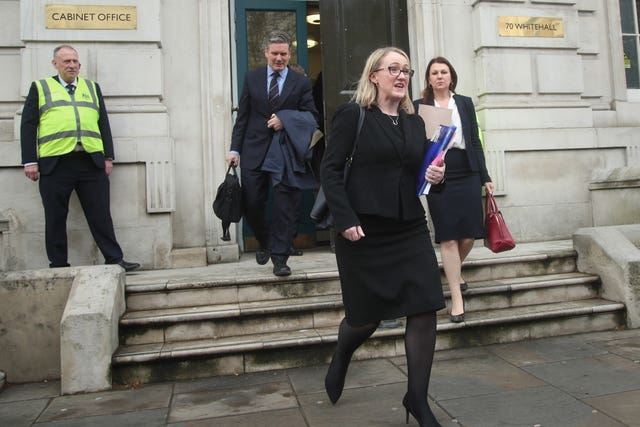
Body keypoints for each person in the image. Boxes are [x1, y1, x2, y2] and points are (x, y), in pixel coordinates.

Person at [321, 47, 446, 427]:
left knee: (424, 307)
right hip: (362, 230)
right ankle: (342, 356)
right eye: (393, 68)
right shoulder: (352, 115)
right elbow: (329, 170)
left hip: (408, 225)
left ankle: (417, 399)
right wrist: (344, 218)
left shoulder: (414, 123)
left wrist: (437, 178)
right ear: (373, 75)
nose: (402, 75)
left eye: (406, 69)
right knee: (366, 318)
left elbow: (426, 173)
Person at [20, 45, 140, 272]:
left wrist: (108, 157)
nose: (72, 65)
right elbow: (28, 125)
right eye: (66, 61)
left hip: (90, 162)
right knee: (55, 217)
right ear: (55, 64)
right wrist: (29, 161)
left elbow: (103, 122)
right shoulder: (41, 88)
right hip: (55, 164)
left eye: (75, 61)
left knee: (101, 214)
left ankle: (115, 259)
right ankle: (58, 264)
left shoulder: (92, 88)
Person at [227, 31, 317, 276]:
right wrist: (234, 149)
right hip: (254, 150)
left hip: (286, 153)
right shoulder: (252, 77)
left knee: (286, 206)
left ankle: (280, 258)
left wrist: (285, 120)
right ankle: (265, 241)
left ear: (289, 54)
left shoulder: (300, 82)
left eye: (284, 54)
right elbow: (243, 116)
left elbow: (312, 116)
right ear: (266, 52)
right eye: (275, 53)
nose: (279, 58)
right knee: (253, 203)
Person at [414, 57, 494, 322]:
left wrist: (485, 176)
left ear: (451, 76)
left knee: (470, 235)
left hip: (466, 170)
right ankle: (456, 299)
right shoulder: (420, 106)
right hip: (438, 172)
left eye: (444, 72)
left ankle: (454, 269)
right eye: (434, 72)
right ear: (428, 78)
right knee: (448, 236)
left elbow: (473, 140)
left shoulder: (465, 103)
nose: (439, 76)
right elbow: (417, 145)